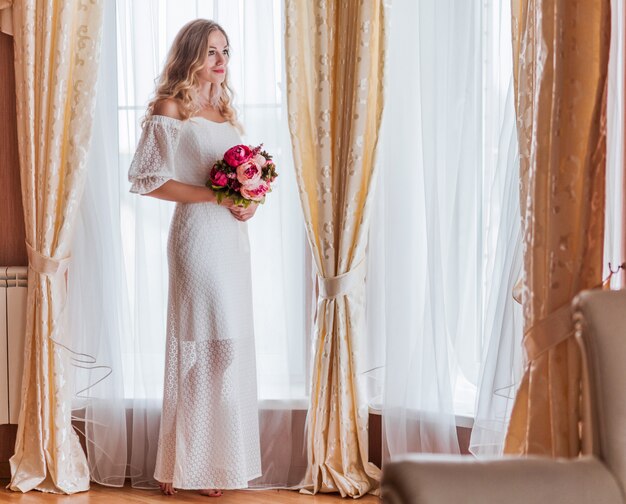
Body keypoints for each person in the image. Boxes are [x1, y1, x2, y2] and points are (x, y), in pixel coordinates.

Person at [128, 19, 261, 497]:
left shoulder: (225, 110)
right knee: (206, 347)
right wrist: (215, 197)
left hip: (230, 242)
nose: (221, 60)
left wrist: (245, 203)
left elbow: (232, 184)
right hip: (195, 242)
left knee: (223, 350)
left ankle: (194, 460)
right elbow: (146, 179)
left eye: (226, 50)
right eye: (211, 52)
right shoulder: (171, 107)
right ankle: (186, 461)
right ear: (190, 56)